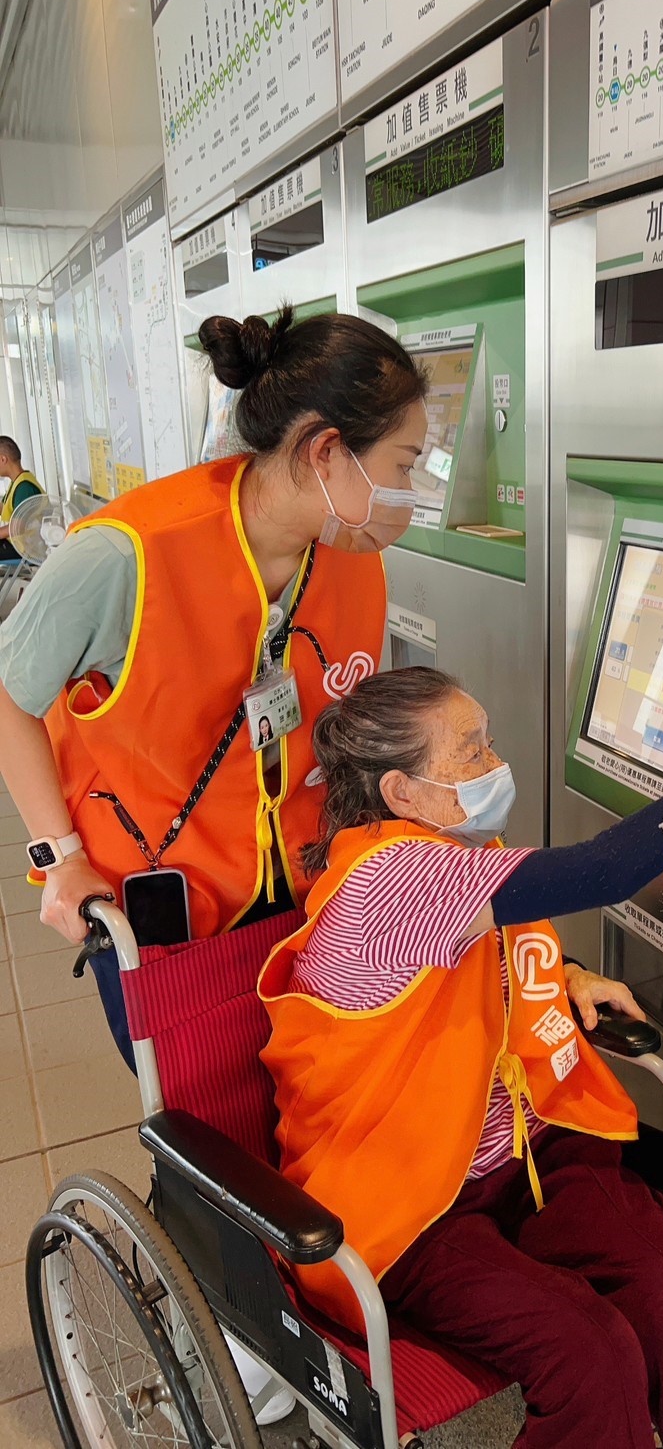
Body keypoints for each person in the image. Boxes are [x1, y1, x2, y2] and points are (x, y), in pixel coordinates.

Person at [259, 663, 663, 1449]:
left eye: (488, 742)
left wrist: (560, 974)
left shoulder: (449, 849)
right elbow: (606, 870)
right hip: (415, 1208)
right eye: (470, 752)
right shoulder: (388, 879)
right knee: (591, 1351)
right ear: (401, 792)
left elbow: (457, 962)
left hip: (528, 1155)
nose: (493, 764)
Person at [0, 306, 429, 1066]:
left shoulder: (350, 555)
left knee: (295, 1100)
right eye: (403, 464)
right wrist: (60, 854)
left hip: (297, 885)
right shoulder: (126, 555)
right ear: (327, 451)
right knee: (199, 1113)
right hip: (156, 896)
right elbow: (7, 694)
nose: (413, 489)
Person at [0, 436, 44, 560]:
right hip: (14, 543)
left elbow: (17, 528)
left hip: (24, 547)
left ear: (3, 459)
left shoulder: (24, 487)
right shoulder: (18, 481)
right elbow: (4, 508)